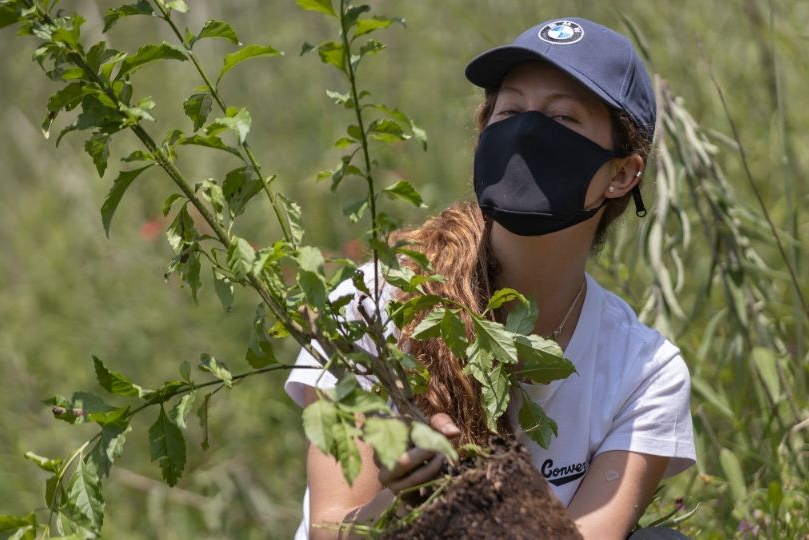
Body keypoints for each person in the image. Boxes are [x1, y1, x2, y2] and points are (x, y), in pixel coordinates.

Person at [285, 17, 696, 540]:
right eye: (510, 111)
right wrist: (402, 503)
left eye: (562, 118)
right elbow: (329, 530)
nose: (527, 131)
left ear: (621, 174)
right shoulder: (375, 302)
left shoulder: (644, 373)